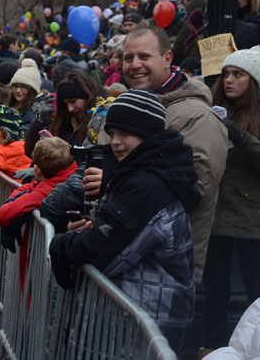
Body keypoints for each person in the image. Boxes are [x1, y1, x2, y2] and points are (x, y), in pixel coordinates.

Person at [49, 90, 201, 356]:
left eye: (125, 134)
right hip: (134, 320)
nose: (116, 142)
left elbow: (106, 249)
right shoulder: (142, 173)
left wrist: (61, 245)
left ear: (147, 135)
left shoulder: (148, 186)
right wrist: (86, 227)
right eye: (113, 133)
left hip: (140, 328)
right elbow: (116, 234)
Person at [116, 25, 228, 283]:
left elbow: (198, 186)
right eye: (128, 58)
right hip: (124, 255)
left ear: (167, 59)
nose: (135, 65)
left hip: (166, 268)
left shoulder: (196, 116)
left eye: (144, 57)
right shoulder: (132, 106)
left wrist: (119, 189)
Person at [203, 46, 260, 349]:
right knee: (215, 292)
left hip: (252, 221)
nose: (228, 80)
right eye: (226, 74)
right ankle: (212, 349)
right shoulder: (213, 110)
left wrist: (241, 138)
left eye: (237, 74)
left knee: (257, 294)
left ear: (252, 81)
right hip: (216, 218)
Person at [0, 136, 78, 254]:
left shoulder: (46, 191)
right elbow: (32, 185)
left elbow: (3, 215)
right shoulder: (69, 175)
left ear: (37, 170)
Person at [8, 58, 41, 133]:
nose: (18, 90)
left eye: (24, 87)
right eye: (15, 86)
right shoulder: (11, 107)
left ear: (33, 90)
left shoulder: (32, 115)